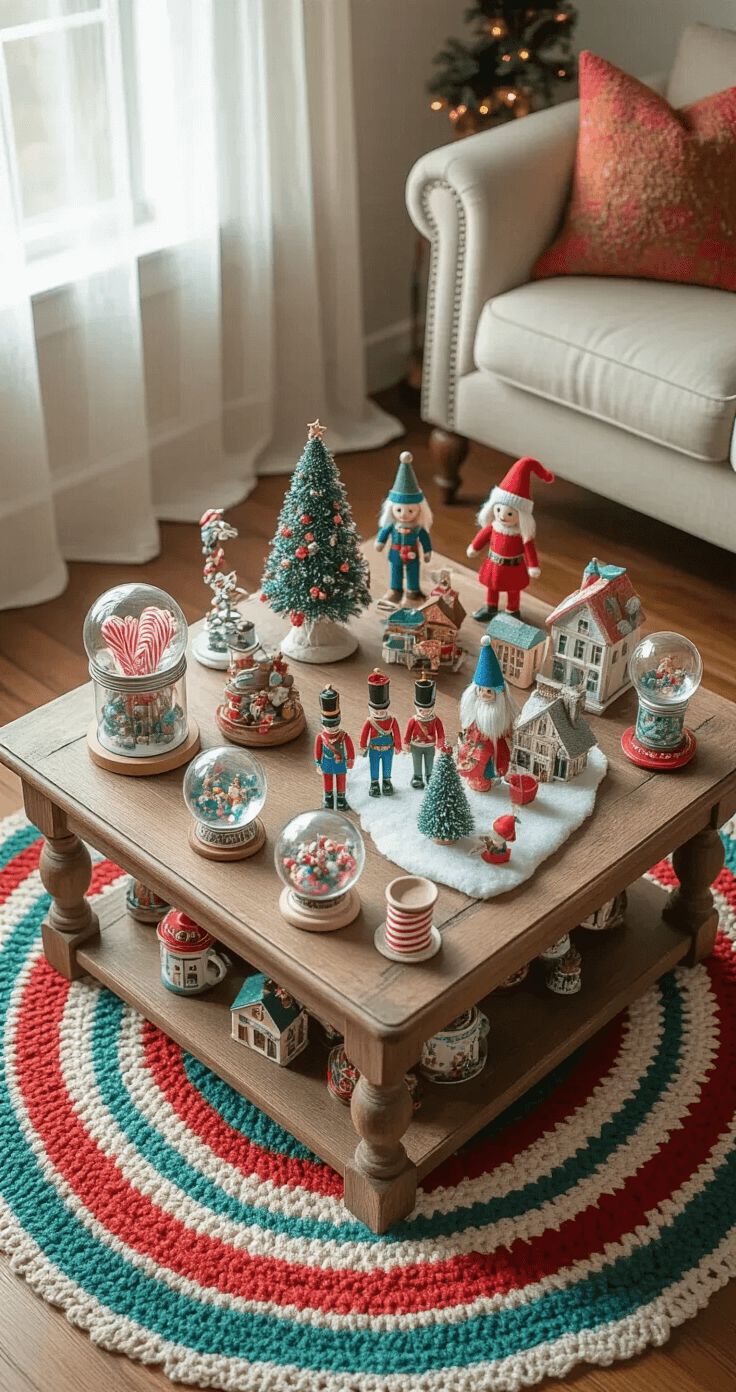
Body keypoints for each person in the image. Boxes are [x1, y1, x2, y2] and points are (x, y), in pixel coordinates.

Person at [466, 456, 554, 622]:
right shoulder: (493, 527)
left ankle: (513, 611)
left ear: (521, 515)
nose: (503, 516)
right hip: (494, 563)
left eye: (510, 513)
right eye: (499, 510)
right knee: (492, 587)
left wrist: (533, 566)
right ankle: (490, 607)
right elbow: (482, 537)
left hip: (514, 567)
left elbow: (529, 549)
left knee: (513, 590)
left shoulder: (522, 533)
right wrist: (474, 548)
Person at [457, 637, 519, 792]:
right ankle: (478, 780)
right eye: (481, 690)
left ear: (498, 694)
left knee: (490, 765)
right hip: (476, 747)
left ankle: (489, 778)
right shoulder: (474, 709)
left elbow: (508, 732)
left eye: (489, 691)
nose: (484, 695)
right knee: (476, 763)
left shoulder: (501, 714)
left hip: (493, 748)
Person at [375, 451, 433, 604]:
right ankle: (395, 590)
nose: (404, 515)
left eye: (411, 511)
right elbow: (383, 533)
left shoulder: (418, 529)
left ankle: (413, 590)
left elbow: (425, 539)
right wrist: (380, 543)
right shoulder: (392, 526)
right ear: (391, 509)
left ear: (419, 510)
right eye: (399, 510)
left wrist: (427, 552)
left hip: (413, 554)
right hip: (395, 553)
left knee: (413, 572)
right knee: (395, 572)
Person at [359, 670, 402, 797]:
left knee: (387, 765)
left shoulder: (392, 720)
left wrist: (398, 746)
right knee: (374, 766)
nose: (380, 712)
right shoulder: (370, 722)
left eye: (383, 709)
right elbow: (364, 733)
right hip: (374, 749)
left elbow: (397, 734)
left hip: (388, 749)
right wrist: (362, 745)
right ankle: (374, 783)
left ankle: (387, 781)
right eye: (377, 709)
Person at [314, 686, 355, 810]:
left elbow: (350, 749)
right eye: (329, 725)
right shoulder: (321, 737)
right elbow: (318, 751)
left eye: (334, 724)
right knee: (327, 781)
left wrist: (350, 760)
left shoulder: (344, 736)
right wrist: (318, 763)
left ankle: (341, 799)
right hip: (327, 762)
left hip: (340, 762)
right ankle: (328, 798)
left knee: (341, 780)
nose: (332, 728)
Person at [403, 677, 445, 789]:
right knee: (417, 762)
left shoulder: (435, 719)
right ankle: (417, 777)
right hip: (416, 745)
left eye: (427, 710)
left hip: (430, 746)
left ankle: (429, 776)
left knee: (429, 762)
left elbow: (440, 733)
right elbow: (408, 732)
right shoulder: (413, 720)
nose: (425, 713)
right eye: (422, 710)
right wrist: (406, 743)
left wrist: (440, 744)